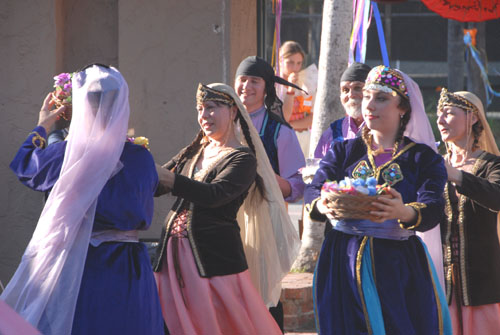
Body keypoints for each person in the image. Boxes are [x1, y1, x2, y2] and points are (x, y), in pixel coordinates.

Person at [1, 65, 164, 335]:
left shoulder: (66, 157)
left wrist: (44, 124)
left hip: (81, 265)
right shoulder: (140, 158)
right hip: (127, 266)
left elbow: (25, 164)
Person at [305, 65, 451, 334]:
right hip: (342, 258)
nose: (369, 104)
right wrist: (323, 204)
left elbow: (433, 207)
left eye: (381, 98)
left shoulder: (423, 158)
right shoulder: (343, 151)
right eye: (367, 96)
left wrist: (404, 211)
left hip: (396, 264)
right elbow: (314, 190)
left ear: (403, 108)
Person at [153, 83, 298, 335]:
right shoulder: (193, 151)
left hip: (214, 261)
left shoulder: (242, 159)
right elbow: (156, 186)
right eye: (200, 109)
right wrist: (132, 158)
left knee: (218, 326)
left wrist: (171, 180)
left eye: (212, 107)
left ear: (232, 112)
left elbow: (215, 195)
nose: (204, 115)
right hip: (173, 257)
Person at [235, 56, 305, 330]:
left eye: (255, 80)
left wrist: (266, 175)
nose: (247, 86)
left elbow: (298, 185)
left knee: (264, 296)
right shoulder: (222, 121)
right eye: (242, 79)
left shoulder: (280, 132)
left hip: (265, 222)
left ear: (267, 88)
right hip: (227, 221)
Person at [436, 88, 500, 335]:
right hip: (443, 283)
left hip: (482, 281)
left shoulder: (491, 165)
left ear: (473, 117)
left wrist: (457, 176)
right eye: (439, 115)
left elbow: (496, 196)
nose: (440, 120)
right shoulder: (435, 166)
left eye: (449, 113)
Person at [313, 62, 371, 159]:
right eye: (345, 90)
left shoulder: (381, 128)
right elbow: (318, 168)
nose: (351, 95)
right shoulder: (332, 132)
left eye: (357, 88)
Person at [278, 41, 317, 157]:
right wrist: (290, 89)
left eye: (299, 63)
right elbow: (283, 118)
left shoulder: (307, 83)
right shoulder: (273, 86)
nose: (295, 68)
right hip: (282, 141)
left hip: (304, 140)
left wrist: (290, 125)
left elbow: (312, 118)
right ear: (280, 61)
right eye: (290, 62)